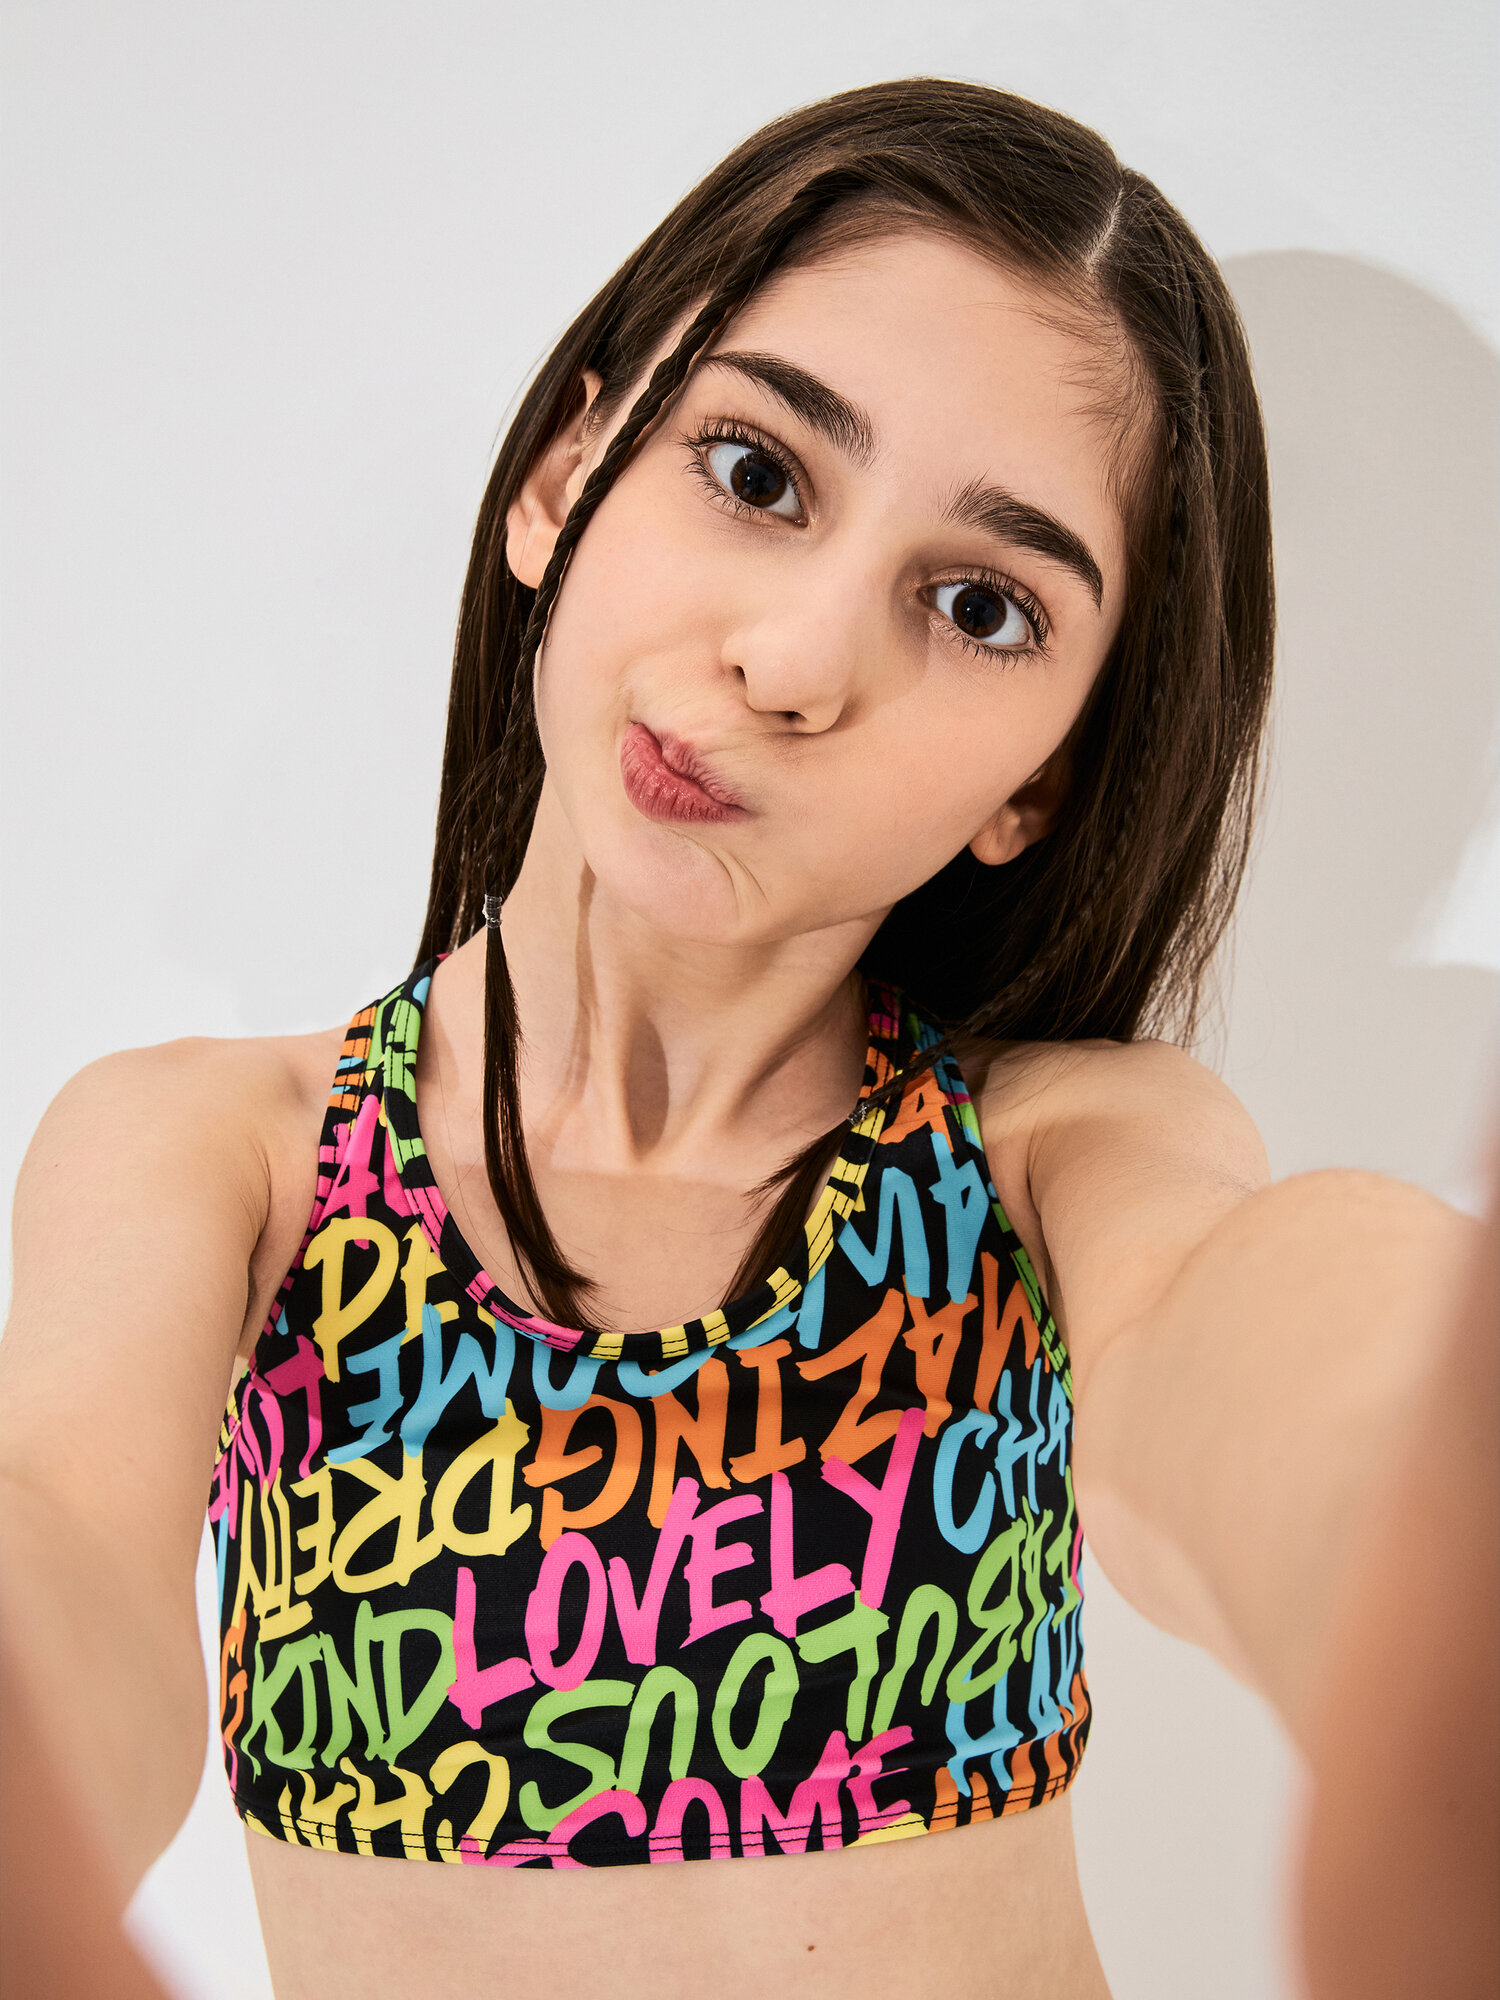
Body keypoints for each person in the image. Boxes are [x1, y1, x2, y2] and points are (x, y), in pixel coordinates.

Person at [0, 77, 1487, 2000]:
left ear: (1039, 784)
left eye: (980, 605)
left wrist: (1420, 1488)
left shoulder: (1052, 1157)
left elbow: (1251, 1349)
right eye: (758, 473)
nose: (792, 662)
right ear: (565, 478)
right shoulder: (221, 1161)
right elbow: (65, 1560)